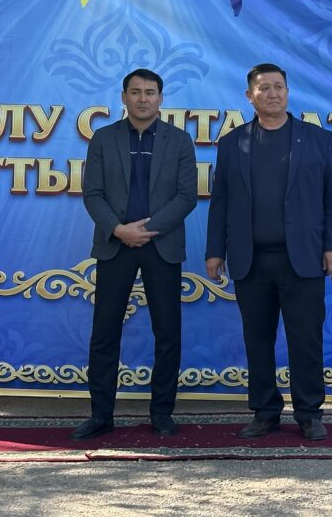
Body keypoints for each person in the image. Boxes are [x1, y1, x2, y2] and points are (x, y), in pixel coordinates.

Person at [205, 63, 332, 440]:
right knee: (258, 339)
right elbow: (220, 202)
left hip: (304, 259)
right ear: (249, 96)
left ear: (287, 91)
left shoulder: (317, 139)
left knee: (306, 340)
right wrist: (215, 251)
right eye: (264, 88)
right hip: (250, 260)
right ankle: (265, 411)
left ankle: (309, 413)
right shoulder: (232, 143)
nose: (273, 93)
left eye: (279, 86)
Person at [73, 68, 197, 440]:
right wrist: (119, 229)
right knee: (104, 332)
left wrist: (148, 229)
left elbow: (186, 196)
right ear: (124, 97)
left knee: (167, 333)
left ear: (161, 98)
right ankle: (101, 415)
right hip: (115, 245)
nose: (143, 98)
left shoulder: (179, 140)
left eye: (150, 92)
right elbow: (92, 193)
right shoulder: (103, 138)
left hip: (162, 246)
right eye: (136, 92)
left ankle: (162, 413)